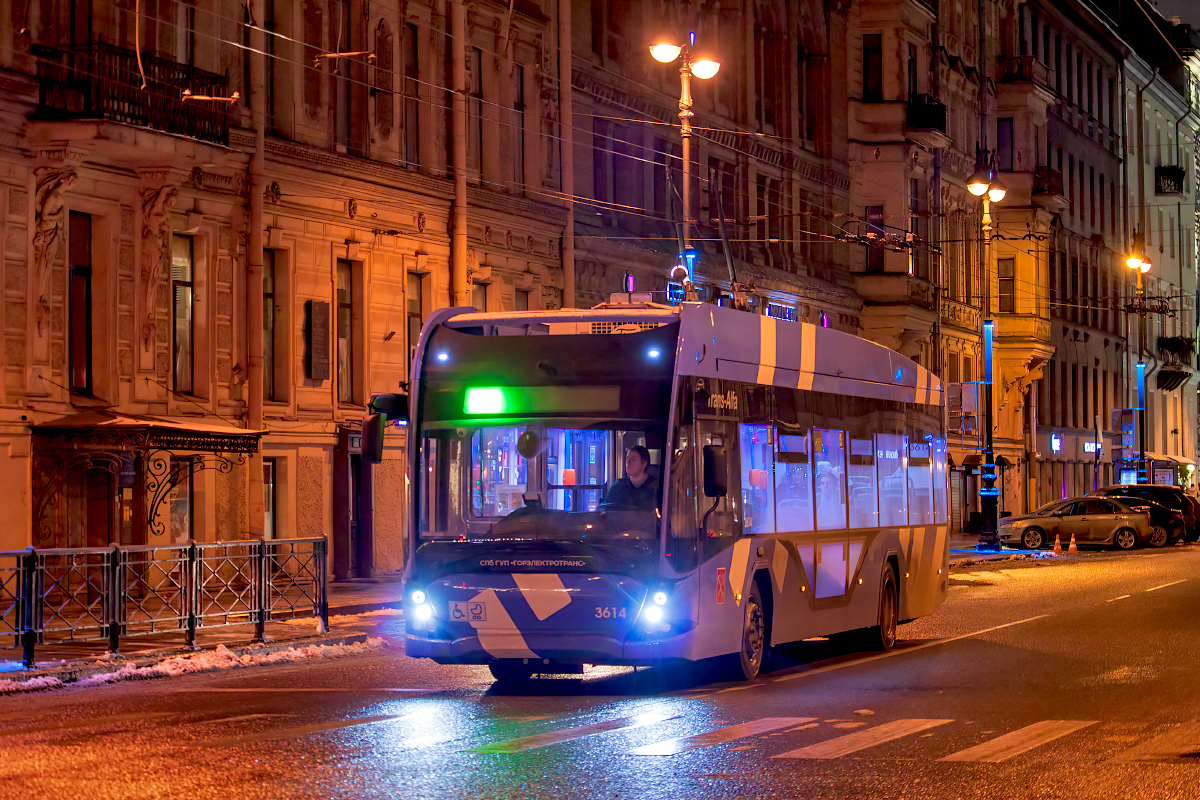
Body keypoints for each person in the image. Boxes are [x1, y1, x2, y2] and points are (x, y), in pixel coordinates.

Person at [602, 445, 658, 510]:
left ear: (644, 463)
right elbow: (606, 512)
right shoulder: (617, 487)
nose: (628, 462)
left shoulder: (655, 486)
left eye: (633, 459)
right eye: (627, 459)